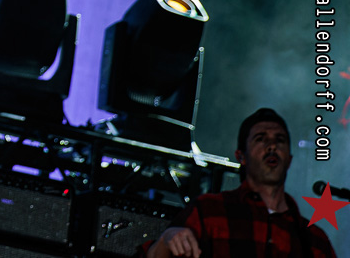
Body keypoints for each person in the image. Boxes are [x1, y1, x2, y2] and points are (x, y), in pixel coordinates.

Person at [143, 108, 337, 258]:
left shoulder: (314, 239)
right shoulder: (209, 211)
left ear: (289, 159)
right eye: (261, 139)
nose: (272, 146)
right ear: (241, 156)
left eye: (280, 140)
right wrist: (165, 241)